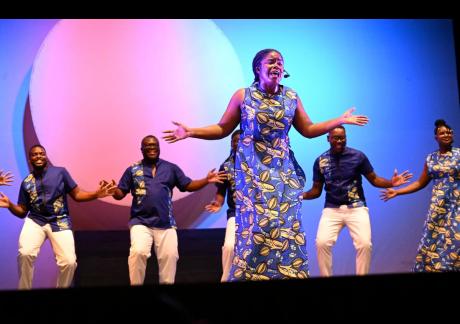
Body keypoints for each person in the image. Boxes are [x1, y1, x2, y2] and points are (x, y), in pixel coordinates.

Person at [163, 48, 369, 281]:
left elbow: (309, 129)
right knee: (257, 228)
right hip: (251, 172)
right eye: (271, 61)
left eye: (280, 62)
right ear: (257, 68)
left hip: (282, 172)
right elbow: (223, 128)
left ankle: (287, 275)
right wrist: (191, 131)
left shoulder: (291, 96)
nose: (277, 65)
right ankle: (251, 276)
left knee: (284, 227)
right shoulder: (243, 96)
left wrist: (338, 120)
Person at [111, 135, 226, 285]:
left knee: (170, 257)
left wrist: (206, 180)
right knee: (138, 252)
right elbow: (120, 193)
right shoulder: (132, 169)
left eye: (155, 145)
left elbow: (188, 185)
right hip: (140, 222)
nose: (152, 148)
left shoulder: (170, 168)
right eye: (148, 146)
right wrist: (114, 190)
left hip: (166, 223)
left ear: (159, 148)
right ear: (141, 149)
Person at [0, 145, 116, 289]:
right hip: (36, 221)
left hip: (60, 220)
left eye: (41, 153)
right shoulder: (27, 182)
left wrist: (95, 194)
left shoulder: (60, 172)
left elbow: (77, 194)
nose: (38, 156)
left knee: (69, 262)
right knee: (25, 253)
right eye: (34, 155)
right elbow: (22, 211)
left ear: (46, 156)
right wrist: (10, 204)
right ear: (30, 159)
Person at [303, 126, 412, 276]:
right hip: (332, 209)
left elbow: (374, 179)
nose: (340, 141)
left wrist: (391, 183)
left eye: (343, 137)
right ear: (328, 139)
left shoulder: (358, 156)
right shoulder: (320, 161)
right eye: (336, 138)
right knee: (321, 243)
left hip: (357, 207)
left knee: (365, 245)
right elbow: (315, 191)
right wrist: (299, 196)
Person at [381, 119, 459, 272]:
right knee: (432, 241)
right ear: (436, 137)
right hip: (439, 207)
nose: (446, 135)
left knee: (456, 241)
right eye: (442, 133)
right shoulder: (431, 158)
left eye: (449, 132)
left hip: (457, 207)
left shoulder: (459, 154)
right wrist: (397, 191)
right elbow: (420, 183)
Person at [205, 129, 241, 282]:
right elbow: (221, 191)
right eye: (234, 141)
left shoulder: (258, 163)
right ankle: (225, 279)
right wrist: (218, 203)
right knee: (230, 247)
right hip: (236, 213)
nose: (237, 143)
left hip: (258, 213)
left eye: (240, 140)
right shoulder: (225, 166)